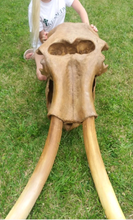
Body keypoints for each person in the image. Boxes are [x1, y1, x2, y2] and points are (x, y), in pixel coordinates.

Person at [24, 0, 98, 81]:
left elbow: (81, 10)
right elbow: (42, 39)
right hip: (46, 44)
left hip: (63, 38)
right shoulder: (33, 8)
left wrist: (87, 28)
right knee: (43, 76)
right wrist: (45, 37)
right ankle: (36, 54)